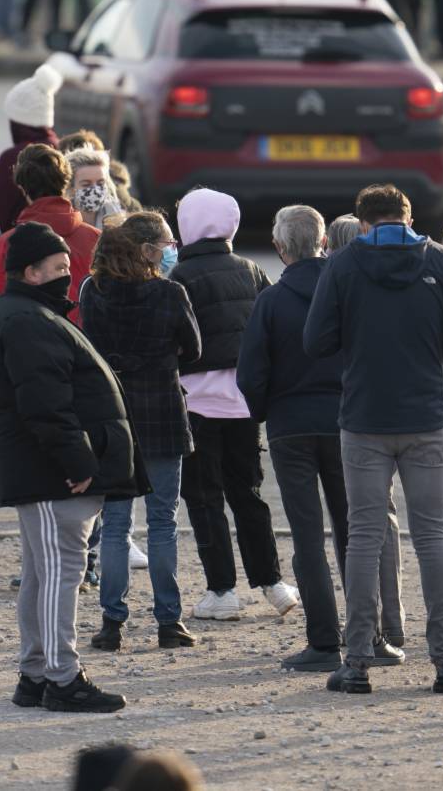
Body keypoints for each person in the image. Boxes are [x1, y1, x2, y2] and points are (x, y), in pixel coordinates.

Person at [305, 184, 443, 695]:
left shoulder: (343, 265)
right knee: (431, 537)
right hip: (426, 415)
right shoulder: (441, 261)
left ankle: (357, 661)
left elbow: (315, 341)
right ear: (407, 217)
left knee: (363, 536)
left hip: (363, 418)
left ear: (362, 223)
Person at [239, 205, 405, 672]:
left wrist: (265, 412)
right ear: (323, 242)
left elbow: (251, 373)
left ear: (278, 247)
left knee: (307, 536)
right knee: (357, 531)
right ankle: (368, 637)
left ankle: (323, 641)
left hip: (291, 426)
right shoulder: (349, 291)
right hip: (348, 421)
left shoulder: (270, 300)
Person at [0, 221, 138, 714]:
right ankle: (62, 677)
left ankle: (36, 674)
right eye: (57, 269)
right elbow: (45, 404)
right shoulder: (29, 320)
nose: (66, 278)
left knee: (43, 573)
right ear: (30, 272)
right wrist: (79, 461)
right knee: (60, 574)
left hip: (44, 470)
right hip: (54, 473)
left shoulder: (29, 313)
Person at [169, 187, 297, 621]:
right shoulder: (252, 271)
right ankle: (272, 582)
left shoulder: (179, 279)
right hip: (244, 403)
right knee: (249, 494)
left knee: (204, 498)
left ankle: (221, 591)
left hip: (195, 404)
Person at [79, 212, 201, 653]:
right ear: (149, 250)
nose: (172, 249)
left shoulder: (93, 290)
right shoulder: (170, 293)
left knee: (114, 525)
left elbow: (88, 347)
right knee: (162, 521)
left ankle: (112, 622)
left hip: (113, 417)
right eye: (167, 243)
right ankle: (169, 621)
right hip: (162, 413)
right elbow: (194, 348)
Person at [0, 143, 100, 326]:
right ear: (66, 182)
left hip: (29, 343)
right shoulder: (97, 239)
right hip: (89, 345)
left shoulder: (9, 243)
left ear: (22, 188)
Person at [0, 65, 62, 231]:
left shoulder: (11, 158)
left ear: (18, 123)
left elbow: (1, 215)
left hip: (20, 245)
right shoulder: (63, 150)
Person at [64, 146, 123, 230]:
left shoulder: (118, 220)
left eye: (100, 183)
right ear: (71, 187)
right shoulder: (62, 221)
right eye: (86, 184)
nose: (95, 190)